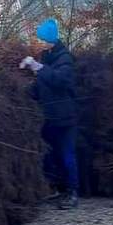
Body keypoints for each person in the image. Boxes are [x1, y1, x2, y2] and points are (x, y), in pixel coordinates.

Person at [20, 18, 79, 209]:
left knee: (67, 155)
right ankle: (57, 189)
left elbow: (60, 80)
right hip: (50, 116)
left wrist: (38, 67)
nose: (40, 42)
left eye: (42, 39)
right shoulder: (47, 56)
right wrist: (25, 92)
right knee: (50, 154)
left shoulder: (65, 58)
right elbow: (42, 84)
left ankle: (72, 193)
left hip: (65, 117)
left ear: (50, 38)